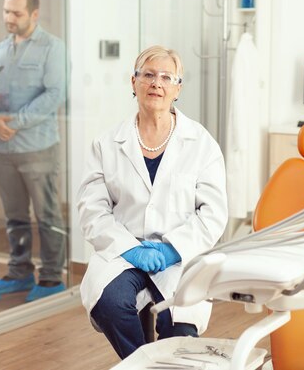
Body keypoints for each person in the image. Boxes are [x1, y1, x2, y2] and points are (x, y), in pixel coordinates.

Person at [76, 45, 228, 359]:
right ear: (133, 83)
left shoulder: (201, 144)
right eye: (147, 75)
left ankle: (154, 364)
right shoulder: (107, 143)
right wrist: (130, 247)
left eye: (166, 77)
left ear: (178, 88)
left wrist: (173, 248)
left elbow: (213, 213)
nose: (156, 83)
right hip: (124, 252)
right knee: (110, 303)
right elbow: (92, 209)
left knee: (180, 327)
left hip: (179, 257)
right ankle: (142, 363)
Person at [0, 0, 67, 302]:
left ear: (34, 14)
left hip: (37, 146)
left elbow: (54, 95)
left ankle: (50, 279)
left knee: (47, 215)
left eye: (16, 13)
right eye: (6, 11)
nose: (9, 18)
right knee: (15, 215)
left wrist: (14, 123)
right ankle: (19, 272)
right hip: (2, 150)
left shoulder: (52, 48)